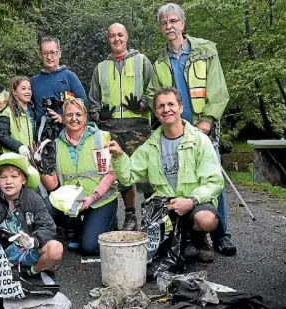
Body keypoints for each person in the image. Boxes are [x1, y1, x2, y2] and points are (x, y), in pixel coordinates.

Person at [147, 3, 236, 257]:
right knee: (183, 182)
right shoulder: (160, 62)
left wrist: (207, 120)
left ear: (183, 24)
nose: (169, 26)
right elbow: (154, 95)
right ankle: (190, 237)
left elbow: (218, 90)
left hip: (203, 128)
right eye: (164, 23)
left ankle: (221, 235)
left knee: (212, 180)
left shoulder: (205, 51)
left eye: (173, 21)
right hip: (176, 133)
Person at [107, 87, 224, 263]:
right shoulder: (151, 145)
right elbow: (128, 176)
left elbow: (214, 182)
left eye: (171, 104)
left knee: (206, 219)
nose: (166, 109)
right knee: (155, 257)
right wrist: (118, 156)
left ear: (181, 108)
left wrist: (191, 201)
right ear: (156, 112)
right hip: (166, 206)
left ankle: (198, 239)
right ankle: (181, 240)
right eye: (161, 106)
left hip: (194, 202)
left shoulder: (200, 140)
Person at [88, 23, 154, 231]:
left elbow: (154, 89)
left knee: (145, 176)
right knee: (121, 177)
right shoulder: (100, 68)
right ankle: (130, 216)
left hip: (139, 128)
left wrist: (142, 104)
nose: (116, 39)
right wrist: (100, 115)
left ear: (127, 37)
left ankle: (152, 216)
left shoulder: (142, 61)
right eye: (112, 36)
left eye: (120, 35)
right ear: (107, 39)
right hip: (112, 130)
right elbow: (93, 100)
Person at [40, 98, 119, 255]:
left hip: (100, 200)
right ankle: (74, 229)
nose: (74, 119)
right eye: (69, 115)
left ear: (85, 117)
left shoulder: (99, 138)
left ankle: (107, 224)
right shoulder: (55, 144)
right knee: (46, 206)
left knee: (90, 247)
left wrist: (92, 197)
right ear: (63, 117)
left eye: (78, 114)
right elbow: (53, 183)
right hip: (74, 203)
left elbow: (110, 174)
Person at [0, 152, 63, 276]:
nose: (8, 181)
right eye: (3, 177)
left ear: (23, 179)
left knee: (56, 249)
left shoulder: (34, 199)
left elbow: (48, 226)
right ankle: (3, 271)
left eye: (14, 176)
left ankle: (31, 271)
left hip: (28, 250)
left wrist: (33, 241)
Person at [31, 37, 88, 125]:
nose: (49, 57)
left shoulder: (69, 76)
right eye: (45, 53)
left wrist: (63, 118)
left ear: (59, 53)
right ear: (40, 55)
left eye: (53, 52)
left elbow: (84, 104)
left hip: (67, 132)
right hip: (41, 133)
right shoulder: (33, 81)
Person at [0, 76, 36, 157]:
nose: (28, 92)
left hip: (30, 158)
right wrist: (19, 147)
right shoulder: (7, 112)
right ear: (14, 92)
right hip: (13, 159)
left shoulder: (32, 111)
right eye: (24, 89)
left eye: (29, 89)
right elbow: (2, 135)